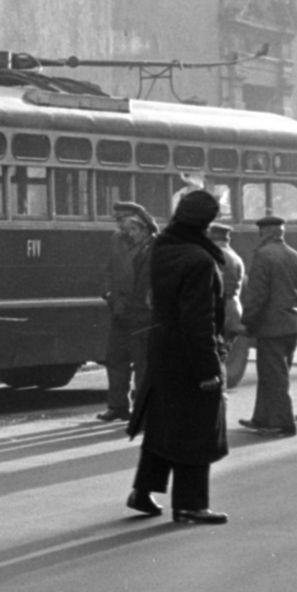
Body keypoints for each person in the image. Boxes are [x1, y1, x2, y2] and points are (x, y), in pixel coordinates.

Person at [124, 190, 231, 524]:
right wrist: (209, 370)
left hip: (162, 349)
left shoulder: (164, 248)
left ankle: (142, 492)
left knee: (163, 425)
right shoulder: (199, 260)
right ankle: (190, 505)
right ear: (206, 221)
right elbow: (198, 321)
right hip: (189, 355)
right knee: (197, 430)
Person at [237, 214, 297, 437]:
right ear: (281, 232)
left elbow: (258, 295)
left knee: (274, 376)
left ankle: (284, 423)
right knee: (273, 373)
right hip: (292, 324)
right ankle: (263, 418)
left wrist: (247, 321)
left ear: (264, 233)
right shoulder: (296, 256)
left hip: (271, 326)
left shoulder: (263, 255)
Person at [97, 201, 157, 422]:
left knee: (143, 365)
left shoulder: (156, 245)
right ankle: (118, 406)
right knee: (115, 359)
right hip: (121, 310)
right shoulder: (117, 240)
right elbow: (108, 270)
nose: (120, 227)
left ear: (138, 225)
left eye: (122, 222)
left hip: (144, 314)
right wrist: (108, 294)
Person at [208, 221, 249, 382]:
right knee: (221, 356)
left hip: (219, 311)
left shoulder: (215, 255)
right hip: (232, 311)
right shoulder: (234, 255)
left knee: (215, 360)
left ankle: (218, 397)